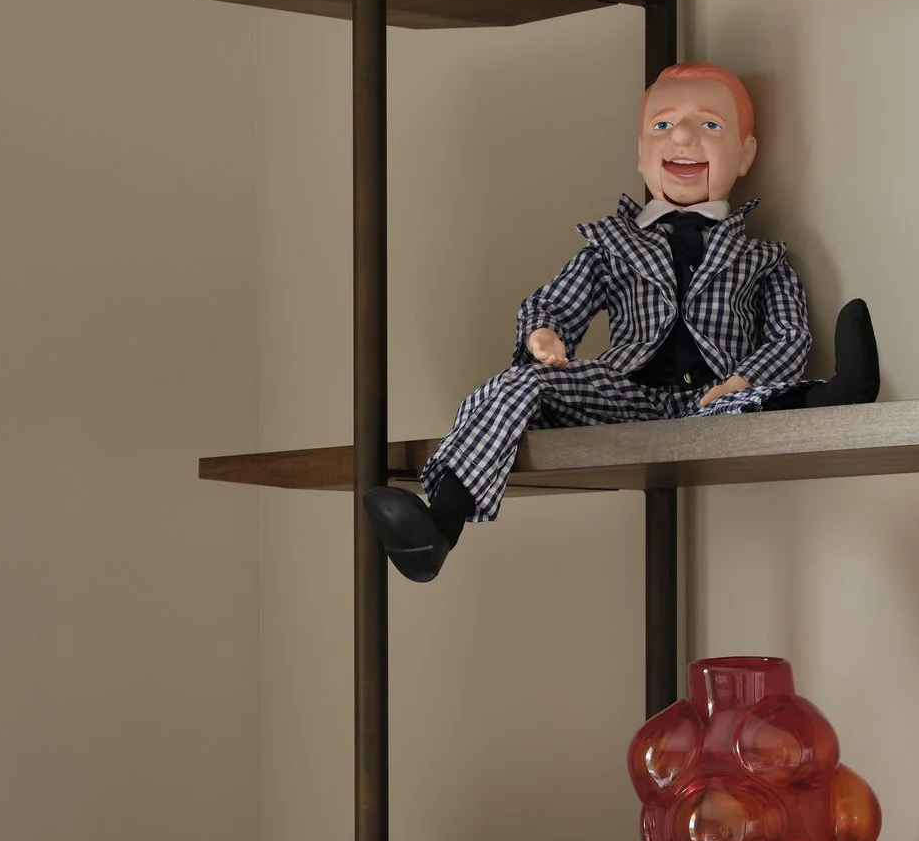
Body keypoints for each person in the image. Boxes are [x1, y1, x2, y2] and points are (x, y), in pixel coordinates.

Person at [364, 63, 873, 581]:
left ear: (745, 154)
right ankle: (439, 526)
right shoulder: (613, 245)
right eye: (663, 125)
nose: (683, 138)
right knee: (516, 384)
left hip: (717, 398)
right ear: (640, 151)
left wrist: (742, 380)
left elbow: (789, 336)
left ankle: (843, 393)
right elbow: (556, 302)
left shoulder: (761, 258)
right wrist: (543, 335)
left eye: (710, 125)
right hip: (626, 394)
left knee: (767, 400)